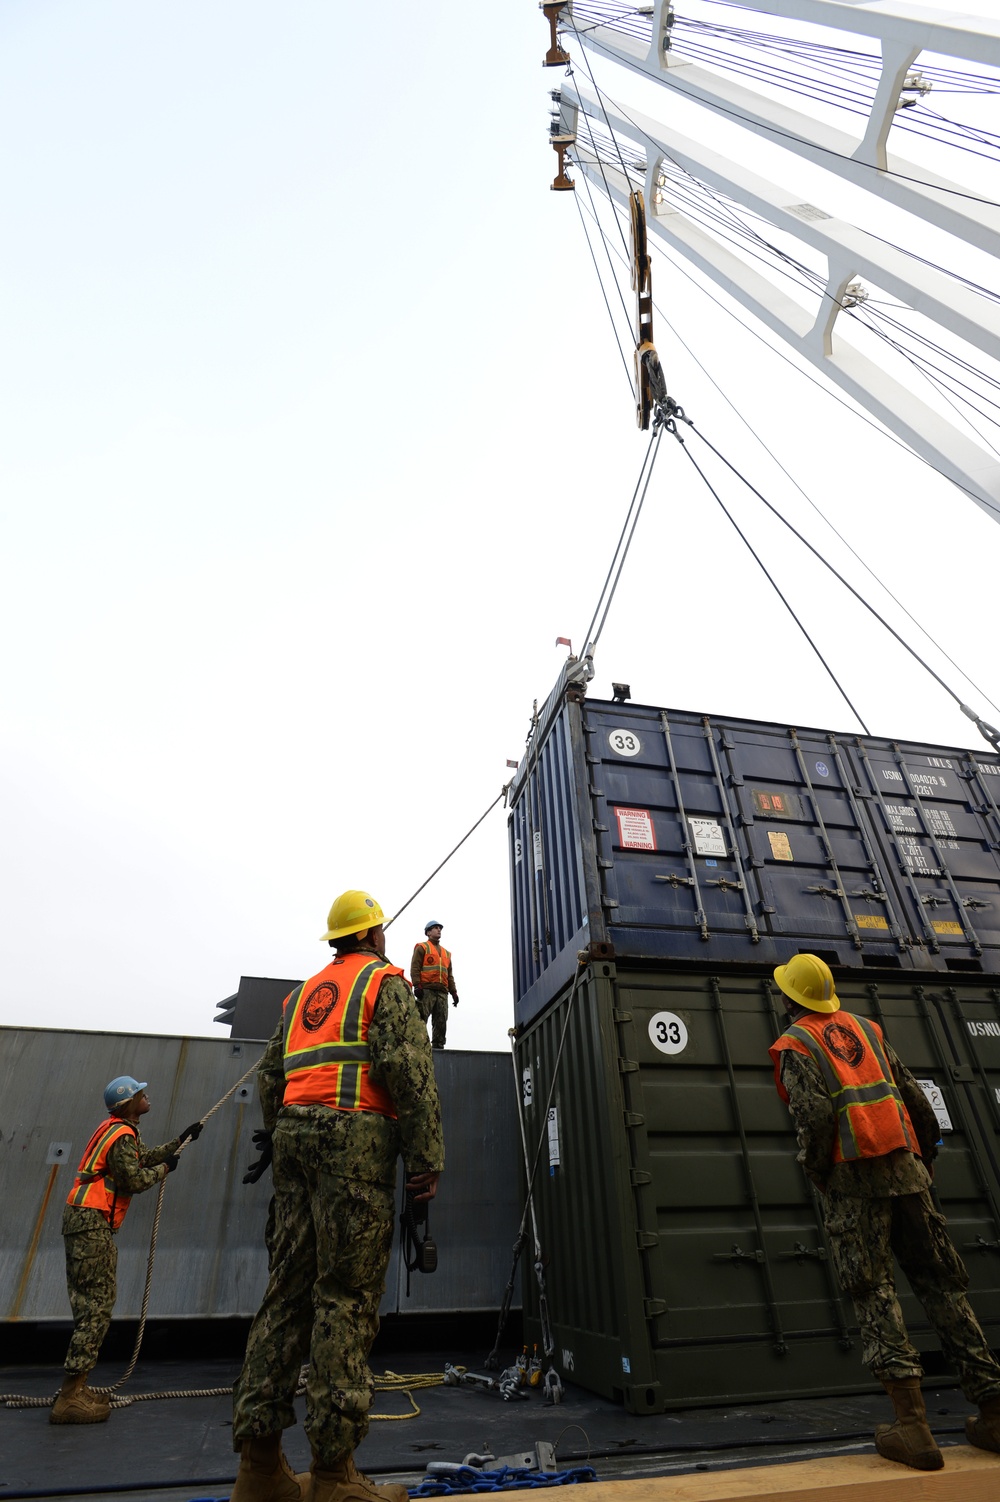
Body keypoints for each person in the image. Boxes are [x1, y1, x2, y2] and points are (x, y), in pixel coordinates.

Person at [231, 889, 444, 1502]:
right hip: (354, 1151)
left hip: (294, 1145)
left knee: (285, 1298)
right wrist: (426, 1157)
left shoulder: (302, 996)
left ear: (335, 939)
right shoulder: (384, 984)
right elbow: (410, 1071)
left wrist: (284, 1136)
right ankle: (333, 1477)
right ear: (375, 935)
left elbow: (273, 1078)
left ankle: (260, 1471)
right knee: (345, 1301)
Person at [769, 953, 1000, 1471]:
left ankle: (913, 1429)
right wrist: (925, 1156)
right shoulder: (867, 1029)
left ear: (790, 998)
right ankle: (994, 1412)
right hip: (909, 1172)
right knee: (944, 1288)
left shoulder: (796, 1044)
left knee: (874, 1292)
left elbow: (813, 1117)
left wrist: (816, 1169)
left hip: (855, 1182)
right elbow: (916, 1098)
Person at [52, 1076, 202, 1425]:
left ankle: (77, 1386)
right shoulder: (121, 1133)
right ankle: (70, 1396)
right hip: (91, 1224)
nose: (146, 1095)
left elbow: (139, 1159)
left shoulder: (118, 1129)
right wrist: (165, 1170)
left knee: (92, 1304)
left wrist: (178, 1142)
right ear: (127, 1102)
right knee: (96, 1306)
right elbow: (132, 1179)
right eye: (140, 1093)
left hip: (84, 1222)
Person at [409, 920, 458, 1050]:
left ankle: (438, 1047)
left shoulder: (446, 953)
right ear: (428, 932)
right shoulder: (422, 947)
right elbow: (415, 967)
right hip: (427, 990)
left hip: (442, 992)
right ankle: (418, 1046)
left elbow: (450, 974)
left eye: (440, 928)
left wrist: (453, 992)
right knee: (420, 1018)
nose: (438, 930)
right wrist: (417, 985)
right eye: (435, 928)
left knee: (441, 1022)